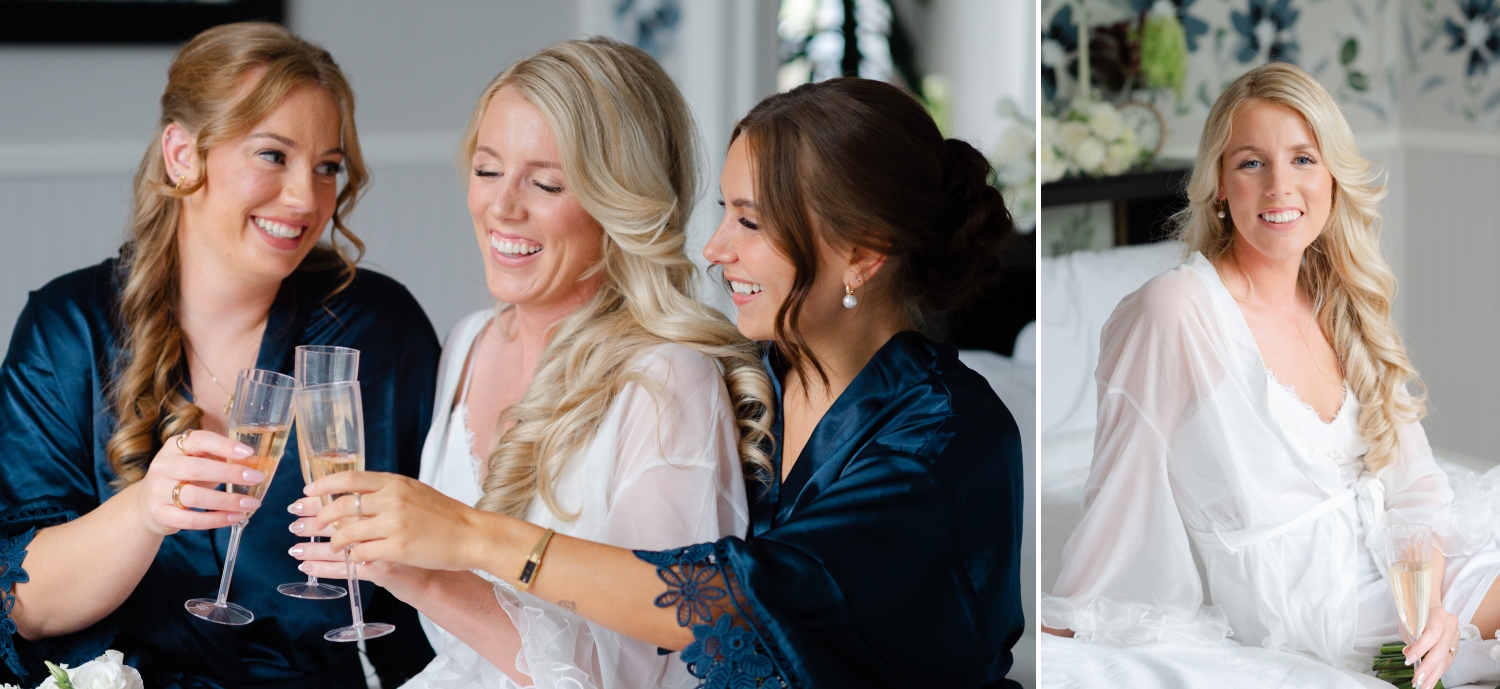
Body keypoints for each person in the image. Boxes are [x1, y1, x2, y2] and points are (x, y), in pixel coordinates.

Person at [298, 76, 1024, 688]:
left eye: (751, 221)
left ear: (862, 255)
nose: (715, 248)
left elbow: (730, 598)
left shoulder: (946, 438)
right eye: (723, 212)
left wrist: (469, 536)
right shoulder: (761, 377)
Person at [289, 38, 774, 689]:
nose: (503, 206)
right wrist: (393, 564)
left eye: (546, 182)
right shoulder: (468, 343)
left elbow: (645, 670)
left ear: (619, 201)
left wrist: (436, 565)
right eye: (488, 171)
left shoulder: (666, 382)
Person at [0, 22, 440, 688]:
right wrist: (147, 509)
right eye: (273, 155)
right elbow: (23, 603)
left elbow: (434, 583)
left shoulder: (377, 329)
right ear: (182, 154)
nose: (307, 198)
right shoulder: (70, 331)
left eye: (328, 167)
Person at [1041, 62, 1500, 689]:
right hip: (1314, 605)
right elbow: (1120, 488)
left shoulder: (1338, 299)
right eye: (1252, 163)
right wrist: (1067, 629)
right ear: (1219, 186)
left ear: (1334, 177)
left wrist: (1441, 610)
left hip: (1408, 573)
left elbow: (1416, 486)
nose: (1281, 186)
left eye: (1304, 159)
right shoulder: (1175, 312)